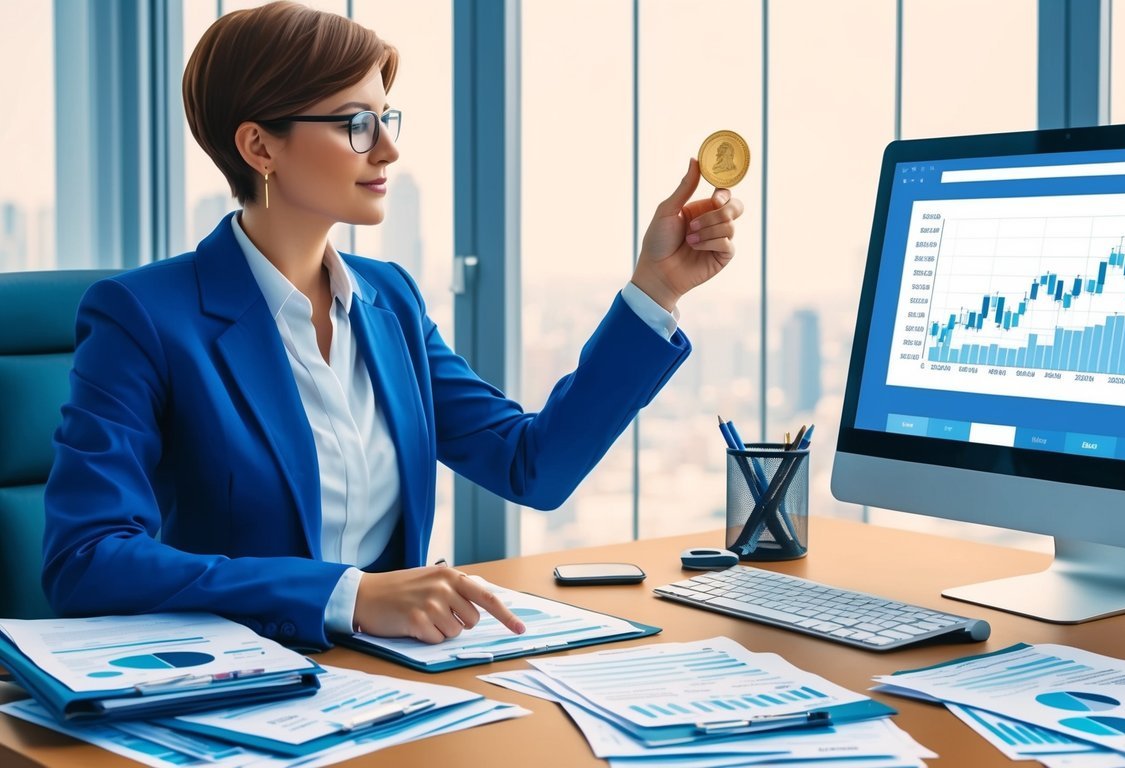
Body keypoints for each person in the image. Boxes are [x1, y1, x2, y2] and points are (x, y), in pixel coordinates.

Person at [41, 1, 743, 651]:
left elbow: (533, 467)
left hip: (395, 681)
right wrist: (348, 596)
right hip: (238, 687)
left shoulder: (389, 301)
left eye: (386, 118)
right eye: (354, 124)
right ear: (260, 147)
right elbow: (87, 559)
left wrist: (654, 290)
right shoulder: (144, 315)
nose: (386, 150)